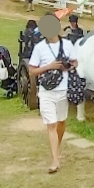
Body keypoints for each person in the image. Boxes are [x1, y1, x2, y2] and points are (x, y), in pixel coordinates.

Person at [28, 24, 78, 173]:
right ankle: (55, 160)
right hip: (46, 91)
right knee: (51, 124)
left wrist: (67, 66)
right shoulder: (39, 48)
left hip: (63, 90)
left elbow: (75, 62)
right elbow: (32, 70)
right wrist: (49, 66)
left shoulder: (67, 45)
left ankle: (57, 147)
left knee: (61, 122)